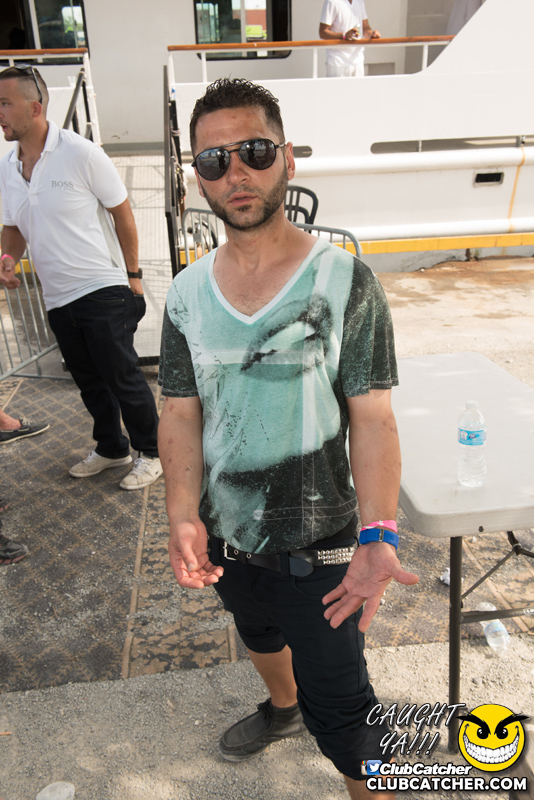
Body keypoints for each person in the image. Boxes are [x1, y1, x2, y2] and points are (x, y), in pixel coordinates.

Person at [158, 77, 419, 799]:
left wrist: (379, 535)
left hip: (321, 546)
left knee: (349, 719)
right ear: (198, 177)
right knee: (258, 632)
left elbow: (373, 418)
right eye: (214, 160)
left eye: (254, 151)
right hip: (227, 535)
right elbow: (179, 412)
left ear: (288, 156)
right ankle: (282, 707)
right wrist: (181, 515)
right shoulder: (185, 294)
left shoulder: (344, 282)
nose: (236, 173)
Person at [0, 66, 162, 490]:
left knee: (122, 377)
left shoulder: (81, 153)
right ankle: (112, 448)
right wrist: (7, 257)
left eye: (4, 103)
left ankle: (153, 451)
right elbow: (13, 227)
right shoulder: (7, 167)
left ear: (34, 108)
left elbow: (122, 213)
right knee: (89, 381)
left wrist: (133, 277)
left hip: (101, 288)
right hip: (57, 298)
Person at [319, 0, 380, 77]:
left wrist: (372, 34)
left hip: (358, 60)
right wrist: (344, 36)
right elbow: (322, 32)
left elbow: (365, 28)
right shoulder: (332, 2)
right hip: (338, 61)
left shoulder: (360, 1)